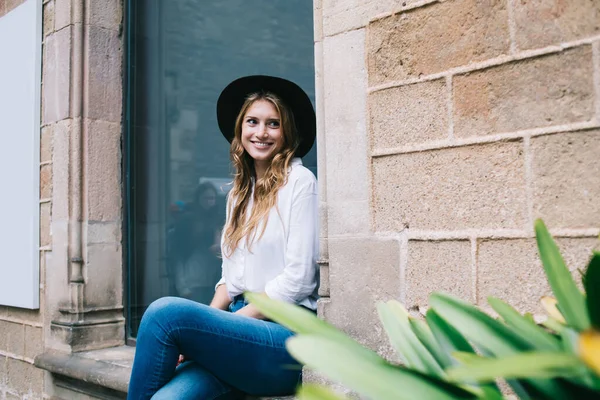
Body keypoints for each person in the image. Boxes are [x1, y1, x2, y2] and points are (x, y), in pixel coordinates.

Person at [127, 75, 319, 399]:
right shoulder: (238, 195)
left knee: (164, 314)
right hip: (239, 334)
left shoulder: (300, 182)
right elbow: (229, 282)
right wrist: (211, 332)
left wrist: (217, 329)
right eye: (252, 121)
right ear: (240, 129)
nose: (261, 132)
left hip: (284, 337)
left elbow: (300, 279)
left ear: (287, 131)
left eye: (273, 124)